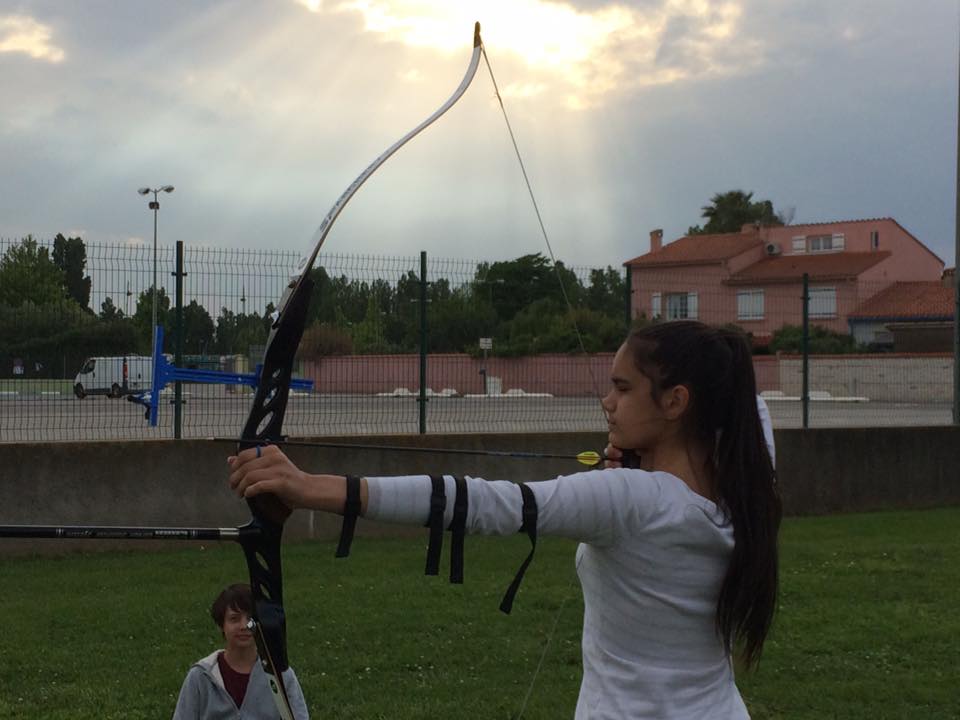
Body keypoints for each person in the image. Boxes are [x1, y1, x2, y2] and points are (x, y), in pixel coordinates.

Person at [227, 321, 781, 719]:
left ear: (676, 402)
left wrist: (309, 488)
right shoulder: (747, 486)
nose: (607, 402)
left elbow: (487, 503)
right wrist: (652, 452)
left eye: (622, 387)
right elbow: (748, 406)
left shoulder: (633, 498)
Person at [172, 583, 310, 720]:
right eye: (234, 619)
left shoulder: (279, 674)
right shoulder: (200, 676)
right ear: (222, 625)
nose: (244, 626)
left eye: (251, 619)